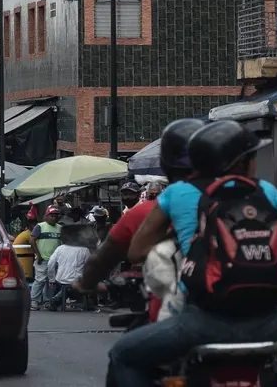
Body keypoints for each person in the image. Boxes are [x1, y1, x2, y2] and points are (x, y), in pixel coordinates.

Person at [108, 120, 277, 387]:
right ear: (241, 163)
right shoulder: (266, 192)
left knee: (123, 355)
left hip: (202, 321)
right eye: (252, 156)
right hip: (269, 320)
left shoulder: (177, 193)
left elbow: (137, 251)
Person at [75, 119, 204, 318]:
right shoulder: (251, 195)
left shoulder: (150, 209)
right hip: (254, 310)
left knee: (123, 351)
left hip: (185, 312)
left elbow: (106, 258)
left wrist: (85, 283)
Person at [29, 206, 63, 311]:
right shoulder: (40, 226)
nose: (54, 218)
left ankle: (48, 301)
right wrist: (38, 255)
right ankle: (34, 301)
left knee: (52, 282)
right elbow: (32, 240)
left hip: (56, 260)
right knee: (40, 280)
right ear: (46, 216)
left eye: (56, 216)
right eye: (51, 215)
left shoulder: (60, 228)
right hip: (42, 259)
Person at [47, 236, 91, 310]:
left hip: (61, 280)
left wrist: (51, 279)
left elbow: (50, 264)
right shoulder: (85, 250)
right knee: (72, 285)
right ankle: (55, 300)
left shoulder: (60, 248)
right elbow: (89, 266)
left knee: (62, 284)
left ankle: (54, 300)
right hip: (77, 282)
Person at [12, 208, 39, 283]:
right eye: (33, 224)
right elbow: (35, 244)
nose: (35, 226)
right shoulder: (29, 234)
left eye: (36, 224)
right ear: (29, 225)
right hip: (24, 260)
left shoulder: (27, 233)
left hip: (24, 258)